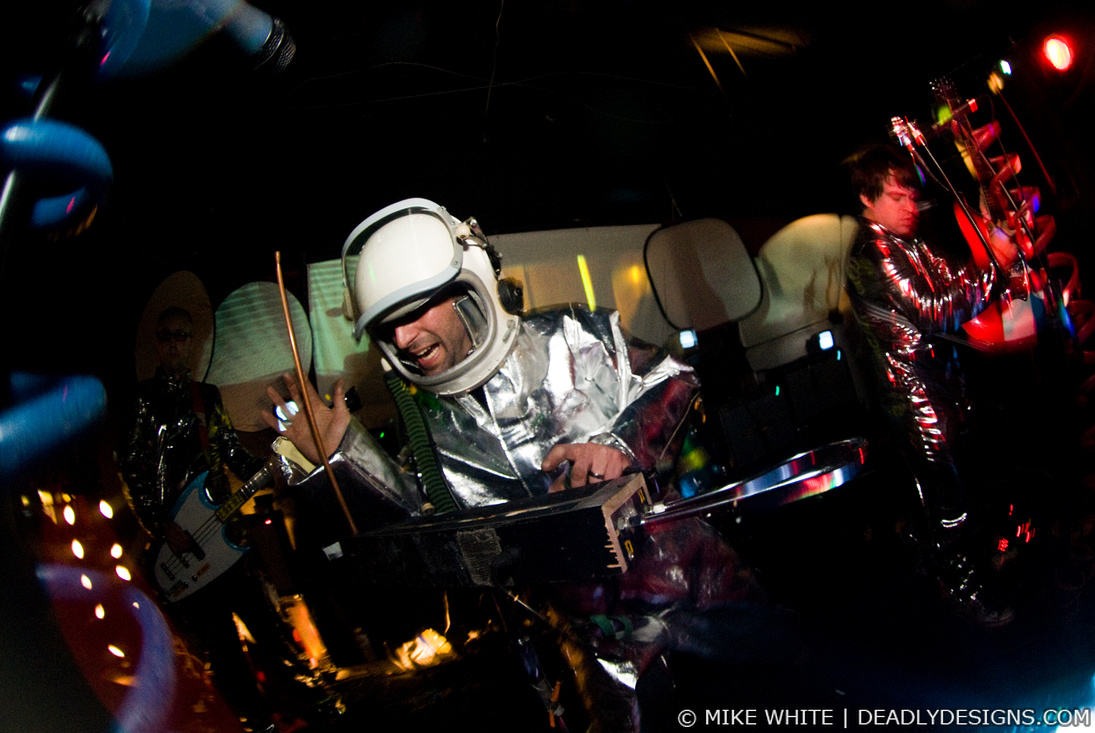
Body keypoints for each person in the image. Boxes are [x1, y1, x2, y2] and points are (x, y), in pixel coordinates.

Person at [264, 198, 795, 732]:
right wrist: (339, 456)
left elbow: (674, 376)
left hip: (696, 596)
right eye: (388, 325)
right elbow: (421, 534)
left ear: (467, 290)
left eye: (416, 310)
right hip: (594, 651)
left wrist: (617, 444)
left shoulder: (571, 332)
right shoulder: (429, 427)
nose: (403, 339)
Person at [844, 142, 1025, 626]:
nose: (910, 208)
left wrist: (1000, 268)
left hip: (941, 383)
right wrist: (996, 268)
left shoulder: (910, 243)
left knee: (960, 485)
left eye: (912, 198)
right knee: (949, 502)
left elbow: (954, 282)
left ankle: (956, 557)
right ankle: (963, 588)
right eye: (897, 198)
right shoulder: (870, 252)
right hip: (913, 396)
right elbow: (934, 310)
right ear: (867, 198)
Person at [119, 306, 309, 733]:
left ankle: (309, 700)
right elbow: (131, 469)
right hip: (178, 538)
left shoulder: (207, 396)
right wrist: (160, 526)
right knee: (221, 645)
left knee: (265, 621)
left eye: (181, 336)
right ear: (156, 341)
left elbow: (230, 452)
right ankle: (256, 720)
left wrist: (270, 464)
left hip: (225, 530)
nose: (173, 343)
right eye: (166, 335)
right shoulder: (142, 401)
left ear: (192, 343)